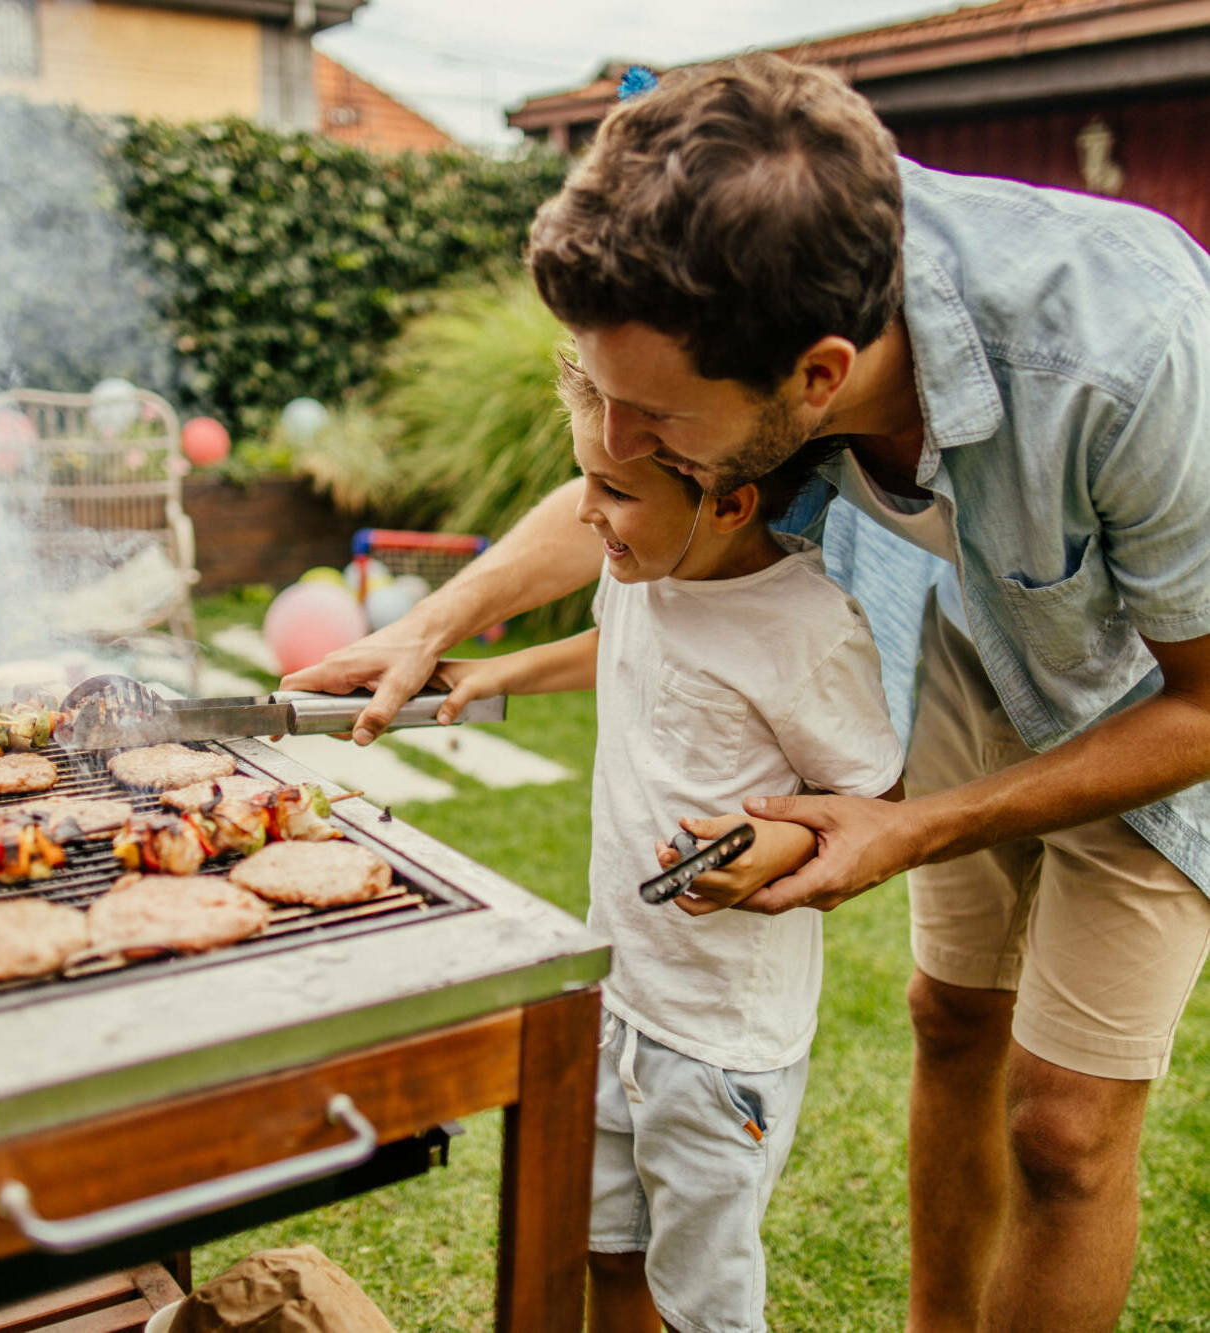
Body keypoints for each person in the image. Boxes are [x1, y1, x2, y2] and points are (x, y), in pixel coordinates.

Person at [283, 54, 1210, 1332]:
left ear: (818, 379)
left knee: (1061, 1129)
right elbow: (628, 491)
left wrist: (912, 822)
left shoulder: (1124, 348)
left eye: (650, 418)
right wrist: (436, 620)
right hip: (965, 631)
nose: (611, 447)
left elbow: (1203, 706)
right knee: (949, 1017)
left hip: (1154, 691)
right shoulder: (751, 294)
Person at [431, 356, 902, 1333]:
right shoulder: (645, 571)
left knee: (704, 1302)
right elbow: (620, 648)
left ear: (727, 502)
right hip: (617, 994)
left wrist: (773, 849)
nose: (586, 513)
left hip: (718, 1040)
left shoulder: (806, 629)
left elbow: (873, 796)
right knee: (608, 1247)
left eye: (611, 490)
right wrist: (494, 668)